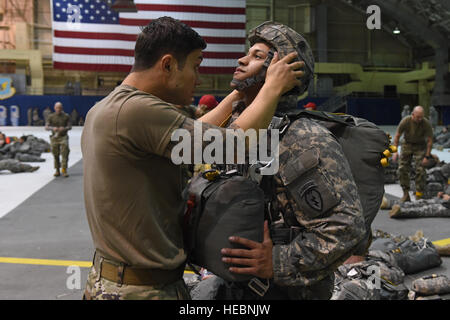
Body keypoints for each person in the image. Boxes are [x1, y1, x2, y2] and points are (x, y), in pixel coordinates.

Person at [80, 16, 304, 300]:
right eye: (196, 67)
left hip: (116, 280)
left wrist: (242, 89)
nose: (198, 79)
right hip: (142, 291)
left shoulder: (111, 107)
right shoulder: (137, 111)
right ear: (168, 65)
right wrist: (271, 87)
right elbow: (231, 146)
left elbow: (199, 133)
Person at [215, 22, 365, 300]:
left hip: (285, 292)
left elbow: (345, 227)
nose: (242, 59)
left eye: (258, 56)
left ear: (280, 71)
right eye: (248, 53)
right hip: (234, 286)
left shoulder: (302, 138)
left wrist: (278, 262)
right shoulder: (233, 127)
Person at [392, 106, 433, 202]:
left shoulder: (426, 123)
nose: (419, 119)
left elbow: (430, 141)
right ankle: (406, 194)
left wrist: (427, 156)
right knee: (402, 169)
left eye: (421, 117)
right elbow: (397, 136)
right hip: (407, 144)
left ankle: (419, 194)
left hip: (420, 146)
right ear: (413, 114)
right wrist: (395, 152)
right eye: (417, 117)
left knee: (421, 170)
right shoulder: (406, 121)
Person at [45, 102, 72, 177]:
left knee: (65, 153)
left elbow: (70, 126)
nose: (58, 109)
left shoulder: (66, 116)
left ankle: (64, 170)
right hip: (54, 137)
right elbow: (46, 127)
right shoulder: (51, 116)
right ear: (54, 108)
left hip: (63, 137)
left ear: (62, 108)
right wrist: (53, 128)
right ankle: (57, 170)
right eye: (57, 108)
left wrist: (64, 128)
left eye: (60, 108)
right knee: (55, 154)